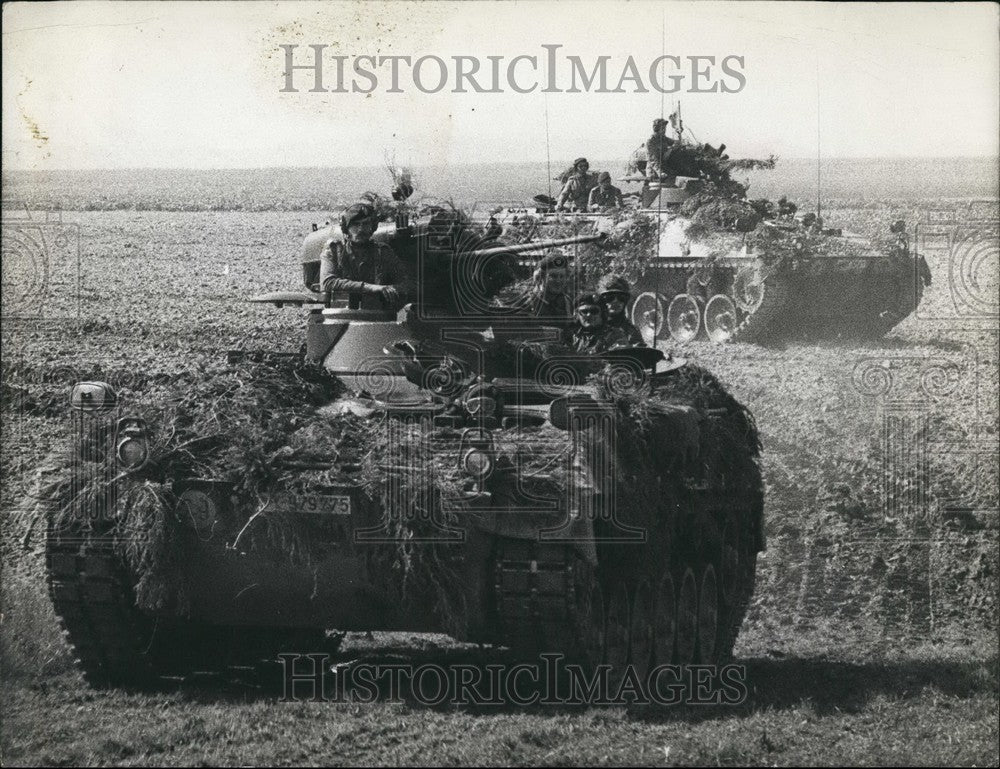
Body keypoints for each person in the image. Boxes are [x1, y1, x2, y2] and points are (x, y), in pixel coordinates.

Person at [319, 202, 414, 311]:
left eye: (365, 224)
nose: (361, 229)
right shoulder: (334, 250)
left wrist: (393, 289)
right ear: (346, 228)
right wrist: (372, 288)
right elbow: (328, 283)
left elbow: (408, 282)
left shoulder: (383, 252)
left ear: (372, 227)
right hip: (340, 314)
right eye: (355, 225)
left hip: (376, 315)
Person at [565, 293, 630, 354]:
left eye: (594, 311)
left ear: (602, 314)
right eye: (584, 311)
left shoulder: (615, 335)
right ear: (577, 315)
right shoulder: (572, 336)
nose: (589, 315)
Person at [597, 274, 645, 346]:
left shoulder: (632, 331)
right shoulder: (593, 326)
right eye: (610, 297)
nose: (615, 301)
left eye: (621, 298)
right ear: (601, 300)